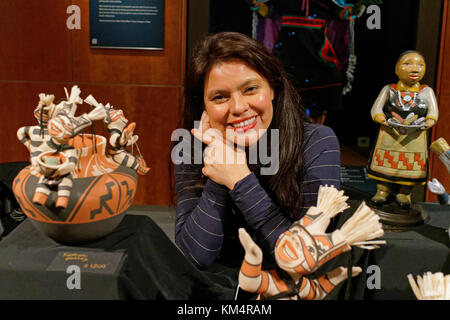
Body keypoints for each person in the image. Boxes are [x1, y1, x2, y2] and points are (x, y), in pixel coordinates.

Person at [174, 32, 341, 270]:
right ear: (204, 106)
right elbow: (195, 256)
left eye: (250, 89)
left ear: (272, 88)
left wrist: (240, 179)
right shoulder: (191, 146)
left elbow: (305, 257)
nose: (239, 107)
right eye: (220, 97)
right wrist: (220, 168)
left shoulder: (317, 142)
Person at [367, 51, 438, 208]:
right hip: (389, 134)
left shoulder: (427, 92)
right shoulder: (389, 90)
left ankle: (405, 193)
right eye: (407, 64)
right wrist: (381, 118)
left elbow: (433, 113)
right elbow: (376, 109)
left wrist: (428, 122)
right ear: (396, 69)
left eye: (420, 64)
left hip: (415, 137)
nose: (415, 69)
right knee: (386, 164)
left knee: (410, 167)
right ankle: (382, 191)